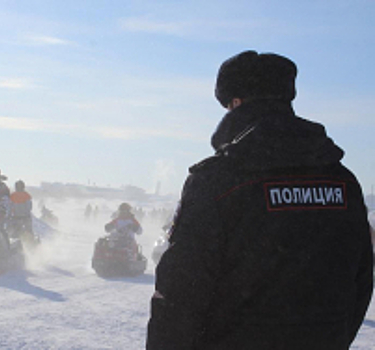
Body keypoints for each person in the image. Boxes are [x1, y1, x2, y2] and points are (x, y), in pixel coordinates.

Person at [146, 51, 373, 349]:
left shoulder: (219, 180)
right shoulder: (343, 180)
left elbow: (180, 293)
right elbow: (360, 279)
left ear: (237, 103)